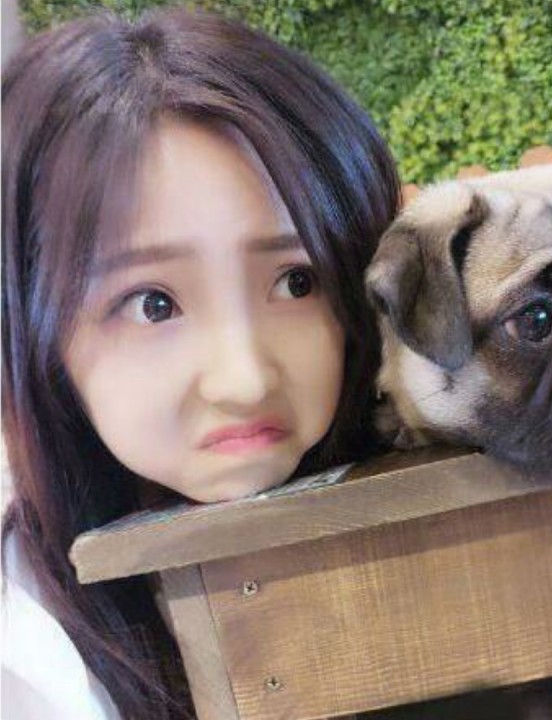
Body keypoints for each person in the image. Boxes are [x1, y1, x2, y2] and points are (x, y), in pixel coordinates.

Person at [1, 9, 400, 719]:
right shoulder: (34, 668)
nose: (244, 380)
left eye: (297, 282)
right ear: (33, 333)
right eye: (153, 304)